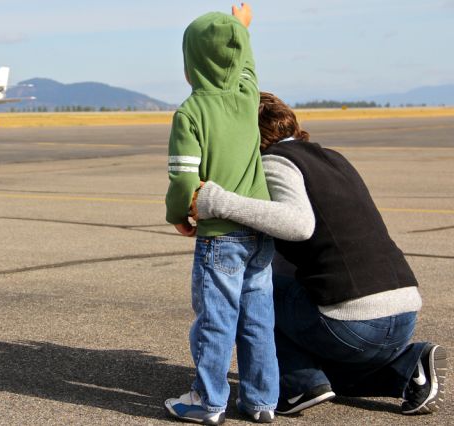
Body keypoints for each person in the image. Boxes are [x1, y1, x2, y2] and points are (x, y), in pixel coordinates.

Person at [192, 91, 447, 416]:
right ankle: (410, 367)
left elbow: (298, 225)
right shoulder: (332, 158)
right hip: (403, 312)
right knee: (331, 379)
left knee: (251, 292)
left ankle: (299, 384)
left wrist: (216, 201)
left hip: (354, 323)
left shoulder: (275, 163)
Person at [164, 4, 278, 424]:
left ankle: (209, 402)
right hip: (259, 230)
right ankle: (262, 401)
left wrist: (179, 215)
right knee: (258, 319)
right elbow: (246, 68)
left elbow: (183, 181)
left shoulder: (191, 112)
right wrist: (242, 31)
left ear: (190, 62)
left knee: (216, 321)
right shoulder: (248, 98)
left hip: (221, 236)